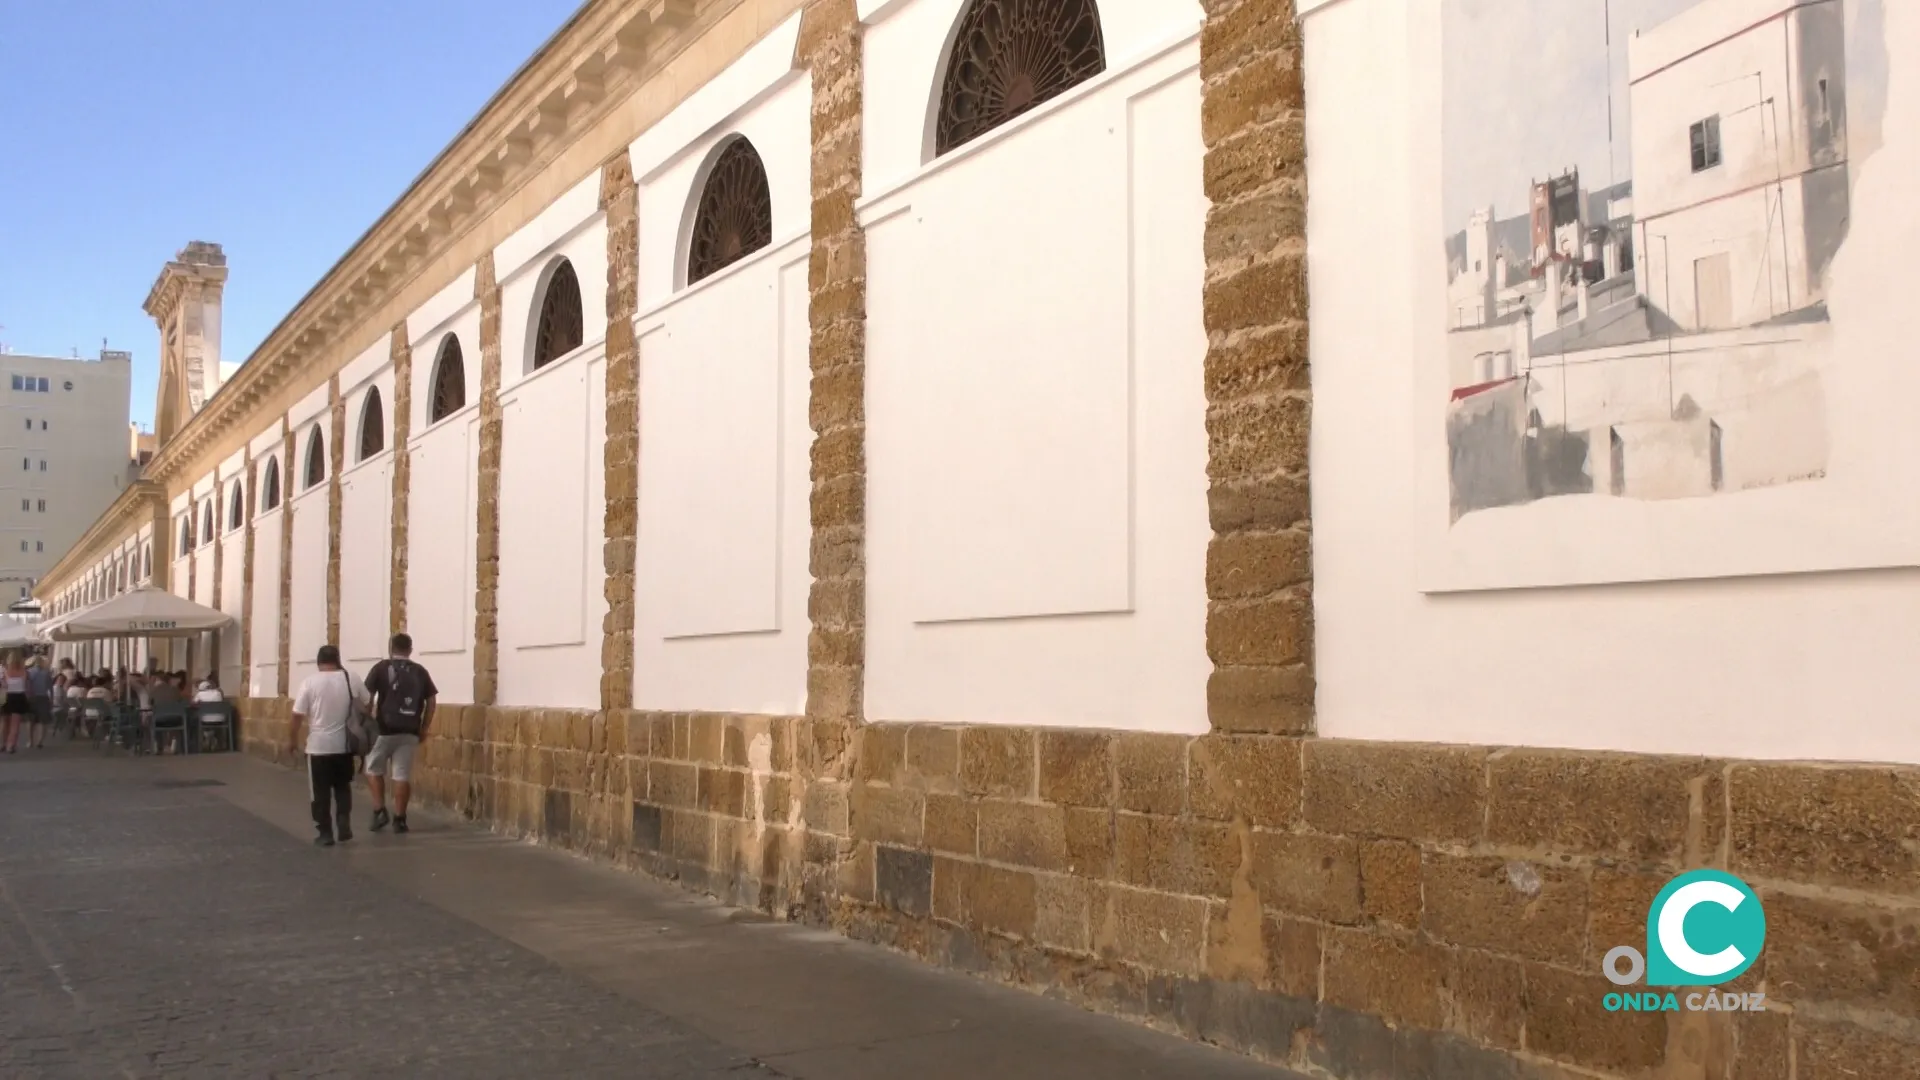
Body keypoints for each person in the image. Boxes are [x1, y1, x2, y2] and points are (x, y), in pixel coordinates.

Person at [289, 645, 370, 847]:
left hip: (318, 748)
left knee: (319, 791)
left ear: (318, 662)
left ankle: (325, 832)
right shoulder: (351, 677)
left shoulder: (309, 683)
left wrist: (291, 740)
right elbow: (368, 704)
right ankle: (344, 823)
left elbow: (297, 715)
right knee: (343, 787)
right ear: (338, 659)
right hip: (343, 746)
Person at [362, 633, 438, 834]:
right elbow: (431, 701)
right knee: (401, 775)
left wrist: (367, 722)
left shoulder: (381, 668)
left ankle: (379, 810)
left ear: (390, 647)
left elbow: (368, 698)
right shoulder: (420, 671)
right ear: (410, 649)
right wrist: (424, 728)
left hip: (383, 731)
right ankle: (400, 819)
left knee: (372, 769)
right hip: (409, 731)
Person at [1, 654, 29, 754]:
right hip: (19, 697)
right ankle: (10, 745)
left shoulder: (6, 672)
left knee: (5, 723)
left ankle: (3, 744)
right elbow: (25, 686)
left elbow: (4, 685)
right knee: (15, 725)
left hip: (8, 697)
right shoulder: (23, 672)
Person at [25, 656, 53, 748]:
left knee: (31, 720)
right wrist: (51, 700)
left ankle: (30, 741)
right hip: (43, 698)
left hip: (31, 698)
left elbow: (26, 686)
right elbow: (50, 688)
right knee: (42, 721)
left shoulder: (29, 672)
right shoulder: (46, 673)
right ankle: (40, 741)